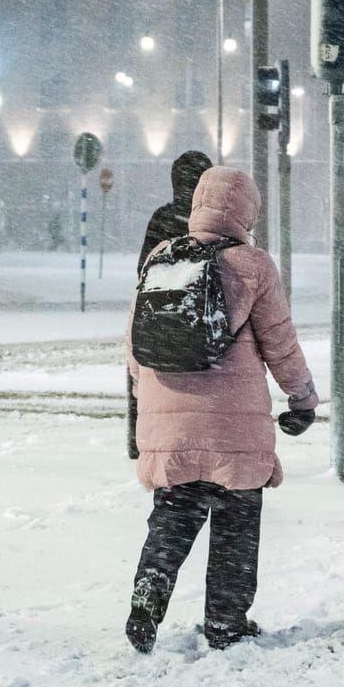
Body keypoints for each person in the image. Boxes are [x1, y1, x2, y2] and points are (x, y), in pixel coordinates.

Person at [125, 166, 318, 652]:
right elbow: (281, 344)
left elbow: (134, 344)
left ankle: (150, 587)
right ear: (246, 212)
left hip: (168, 417)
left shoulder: (162, 258)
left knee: (174, 513)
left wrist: (147, 399)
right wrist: (302, 398)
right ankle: (226, 622)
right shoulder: (253, 266)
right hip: (234, 423)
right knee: (236, 522)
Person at [129, 151, 213, 458]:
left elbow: (142, 271)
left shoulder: (163, 219)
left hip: (159, 326)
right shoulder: (213, 224)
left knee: (154, 387)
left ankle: (144, 442)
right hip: (201, 327)